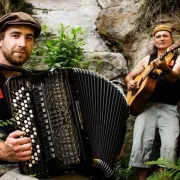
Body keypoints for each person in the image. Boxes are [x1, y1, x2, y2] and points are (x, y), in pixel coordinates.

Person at [125, 24, 180, 180]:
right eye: (158, 36)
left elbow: (174, 77)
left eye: (165, 36)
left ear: (171, 40)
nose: (162, 39)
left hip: (169, 107)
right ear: (154, 40)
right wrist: (130, 82)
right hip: (145, 107)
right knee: (140, 145)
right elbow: (129, 76)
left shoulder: (178, 58)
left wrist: (165, 68)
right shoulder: (147, 60)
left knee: (170, 146)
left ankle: (163, 178)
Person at [0, 12, 41, 180]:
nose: (22, 43)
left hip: (35, 167)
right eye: (15, 35)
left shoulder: (36, 84)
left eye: (29, 38)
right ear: (0, 40)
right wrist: (2, 150)